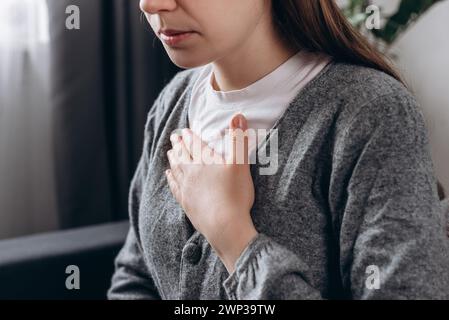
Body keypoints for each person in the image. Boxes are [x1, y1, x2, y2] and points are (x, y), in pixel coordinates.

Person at [108, 0, 449, 299]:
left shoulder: (372, 114)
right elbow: (134, 278)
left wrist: (234, 237)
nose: (151, 5)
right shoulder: (173, 101)